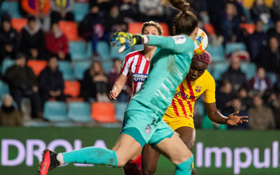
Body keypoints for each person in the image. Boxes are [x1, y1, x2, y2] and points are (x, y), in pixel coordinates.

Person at [39, 1, 246, 175]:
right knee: (118, 158)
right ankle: (57, 158)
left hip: (155, 117)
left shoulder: (166, 52)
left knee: (185, 160)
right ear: (193, 34)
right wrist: (137, 39)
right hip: (145, 110)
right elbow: (166, 40)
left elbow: (165, 44)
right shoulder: (185, 43)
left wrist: (183, 11)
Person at [141, 51, 248, 175]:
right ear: (189, 63)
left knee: (186, 145)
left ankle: (186, 168)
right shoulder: (174, 68)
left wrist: (225, 119)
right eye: (193, 68)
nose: (195, 73)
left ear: (206, 69)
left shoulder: (208, 81)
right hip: (158, 118)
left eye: (200, 71)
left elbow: (212, 112)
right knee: (147, 170)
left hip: (182, 120)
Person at [109, 21, 163, 175]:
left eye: (154, 33)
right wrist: (116, 89)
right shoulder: (131, 57)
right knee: (128, 158)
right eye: (146, 32)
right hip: (134, 113)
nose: (149, 36)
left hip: (155, 115)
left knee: (148, 167)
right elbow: (121, 80)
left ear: (160, 37)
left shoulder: (164, 60)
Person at [4, 53, 42, 119]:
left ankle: (37, 114)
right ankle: (18, 114)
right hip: (17, 88)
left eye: (23, 59)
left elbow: (34, 78)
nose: (22, 61)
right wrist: (16, 67)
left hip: (28, 89)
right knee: (17, 94)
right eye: (20, 59)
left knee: (36, 94)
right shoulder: (11, 69)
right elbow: (8, 77)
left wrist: (34, 85)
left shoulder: (28, 69)